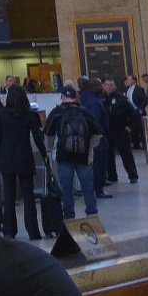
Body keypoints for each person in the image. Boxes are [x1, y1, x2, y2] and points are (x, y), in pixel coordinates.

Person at [0, 85, 45, 240]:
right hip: (25, 158)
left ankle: (9, 231)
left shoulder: (0, 116)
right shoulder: (29, 115)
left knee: (9, 197)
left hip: (6, 159)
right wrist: (44, 154)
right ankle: (33, 231)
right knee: (29, 197)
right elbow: (37, 138)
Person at [45, 85, 100, 220]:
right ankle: (92, 214)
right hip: (84, 156)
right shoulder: (85, 111)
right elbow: (96, 134)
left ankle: (69, 217)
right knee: (87, 187)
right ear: (76, 97)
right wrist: (90, 147)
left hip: (64, 156)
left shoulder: (57, 112)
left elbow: (48, 133)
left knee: (66, 188)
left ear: (63, 97)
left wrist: (50, 149)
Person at [100, 79, 140, 189]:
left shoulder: (121, 99)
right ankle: (112, 176)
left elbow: (133, 113)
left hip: (121, 130)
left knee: (126, 154)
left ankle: (133, 175)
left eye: (111, 85)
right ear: (103, 86)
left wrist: (129, 126)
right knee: (108, 155)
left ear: (115, 86)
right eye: (106, 85)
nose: (109, 87)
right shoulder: (101, 99)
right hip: (107, 132)